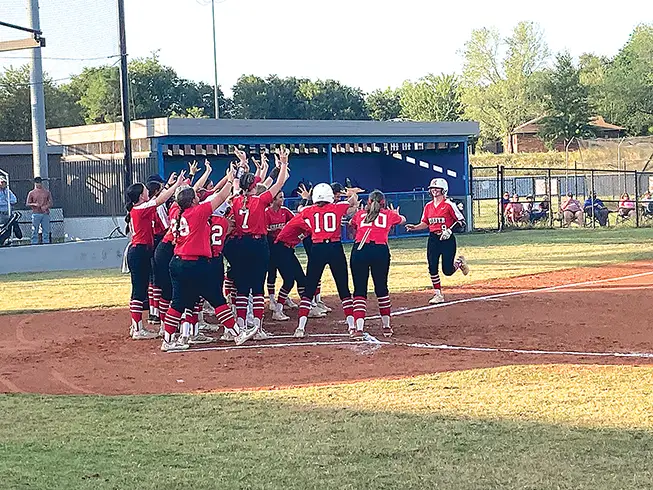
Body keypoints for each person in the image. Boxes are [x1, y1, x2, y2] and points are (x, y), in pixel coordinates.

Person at [161, 169, 258, 351]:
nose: (199, 198)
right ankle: (237, 333)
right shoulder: (197, 213)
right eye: (196, 197)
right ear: (192, 201)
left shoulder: (175, 210)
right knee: (216, 298)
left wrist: (183, 182)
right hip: (194, 263)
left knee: (178, 302)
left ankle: (167, 339)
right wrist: (230, 181)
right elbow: (220, 198)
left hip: (177, 261)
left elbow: (182, 197)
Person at [228, 148, 289, 338]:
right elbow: (279, 182)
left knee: (243, 286)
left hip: (241, 244)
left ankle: (241, 325)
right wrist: (284, 163)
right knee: (257, 286)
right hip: (258, 244)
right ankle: (257, 328)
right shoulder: (260, 200)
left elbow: (237, 182)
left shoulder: (237, 199)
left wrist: (242, 164)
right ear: (254, 186)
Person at [124, 171, 186, 340]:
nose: (147, 192)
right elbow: (160, 199)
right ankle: (137, 329)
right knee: (139, 289)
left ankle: (136, 326)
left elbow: (157, 198)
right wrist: (176, 185)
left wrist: (171, 186)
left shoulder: (136, 208)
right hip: (140, 250)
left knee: (140, 287)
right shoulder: (140, 208)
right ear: (140, 196)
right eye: (144, 190)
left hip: (139, 250)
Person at [293, 183, 359, 338]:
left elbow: (300, 210)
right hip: (335, 247)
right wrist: (351, 193)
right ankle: (351, 326)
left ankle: (301, 327)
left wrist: (305, 199)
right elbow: (353, 202)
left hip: (317, 248)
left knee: (310, 286)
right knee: (343, 287)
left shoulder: (309, 210)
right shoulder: (337, 207)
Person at [349, 190, 406, 338]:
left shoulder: (360, 214)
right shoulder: (388, 215)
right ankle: (386, 326)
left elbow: (352, 225)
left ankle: (359, 329)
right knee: (381, 288)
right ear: (383, 203)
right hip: (380, 250)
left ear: (368, 202)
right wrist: (395, 213)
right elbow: (403, 220)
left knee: (359, 290)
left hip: (360, 248)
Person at [406, 178, 469, 305]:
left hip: (447, 239)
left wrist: (450, 231)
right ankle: (438, 294)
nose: (434, 190)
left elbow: (462, 222)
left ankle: (458, 263)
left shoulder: (449, 204)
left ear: (443, 189)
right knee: (432, 266)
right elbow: (425, 223)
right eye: (432, 188)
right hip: (434, 238)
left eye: (437, 188)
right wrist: (415, 227)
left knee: (447, 270)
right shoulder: (428, 206)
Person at [271, 213, 312, 321]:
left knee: (301, 279)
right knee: (289, 281)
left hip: (287, 249)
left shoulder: (303, 219)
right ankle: (278, 310)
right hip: (280, 249)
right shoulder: (301, 220)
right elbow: (314, 230)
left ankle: (307, 306)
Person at [265, 189, 295, 314]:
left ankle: (284, 297)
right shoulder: (267, 212)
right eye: (280, 197)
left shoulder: (285, 211)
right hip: (270, 244)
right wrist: (277, 227)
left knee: (287, 274)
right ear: (274, 200)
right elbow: (264, 229)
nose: (282, 200)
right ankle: (272, 299)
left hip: (282, 245)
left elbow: (294, 221)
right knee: (271, 272)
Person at [26, 177, 53, 244]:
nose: (38, 184)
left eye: (39, 182)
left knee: (46, 230)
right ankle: (34, 243)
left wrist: (46, 206)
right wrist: (35, 204)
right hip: (36, 213)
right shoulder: (31, 193)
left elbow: (51, 203)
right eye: (37, 182)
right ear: (35, 183)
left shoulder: (47, 192)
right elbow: (27, 203)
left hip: (45, 213)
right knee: (35, 229)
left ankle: (46, 242)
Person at [0, 175, 21, 241]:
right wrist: (7, 202)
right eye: (1, 182)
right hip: (1, 214)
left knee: (10, 224)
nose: (3, 184)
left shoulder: (8, 191)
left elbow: (14, 200)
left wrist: (6, 200)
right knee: (4, 227)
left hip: (8, 212)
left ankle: (16, 235)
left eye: (4, 182)